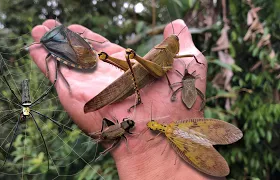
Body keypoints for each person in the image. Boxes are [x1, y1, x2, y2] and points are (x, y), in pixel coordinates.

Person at [29, 19, 222, 180]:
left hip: (142, 76)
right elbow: (162, 70)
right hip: (140, 76)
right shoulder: (169, 55)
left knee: (146, 65)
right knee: (142, 62)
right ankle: (134, 90)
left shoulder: (172, 55)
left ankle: (127, 81)